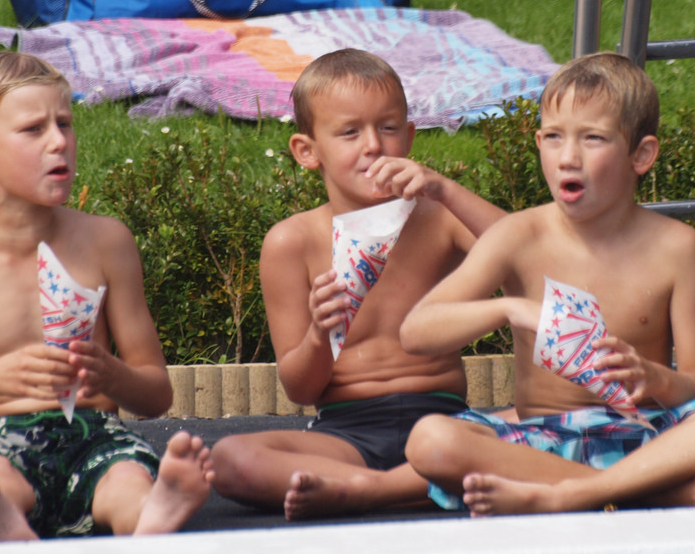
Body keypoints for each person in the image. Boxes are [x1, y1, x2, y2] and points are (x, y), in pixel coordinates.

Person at [399, 51, 695, 515]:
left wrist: (655, 379)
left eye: (593, 138)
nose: (568, 158)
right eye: (553, 137)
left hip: (651, 438)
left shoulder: (677, 247)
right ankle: (642, 493)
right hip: (543, 442)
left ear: (641, 155)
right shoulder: (516, 235)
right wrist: (509, 308)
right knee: (431, 440)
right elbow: (416, 332)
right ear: (539, 142)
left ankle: (573, 494)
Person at [0, 51, 212, 541]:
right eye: (33, 129)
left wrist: (112, 374)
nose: (59, 142)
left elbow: (156, 395)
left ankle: (148, 517)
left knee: (124, 477)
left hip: (97, 434)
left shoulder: (107, 242)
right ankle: (2, 520)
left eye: (64, 123)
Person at [209, 48, 505, 520]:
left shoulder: (440, 218)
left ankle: (368, 492)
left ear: (409, 137)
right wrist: (318, 334)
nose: (373, 145)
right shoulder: (292, 242)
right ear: (307, 151)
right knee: (229, 459)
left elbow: (530, 254)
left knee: (545, 424)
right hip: (347, 436)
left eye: (388, 128)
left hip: (446, 425)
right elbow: (301, 388)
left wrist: (446, 189)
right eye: (350, 132)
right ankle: (408, 487)